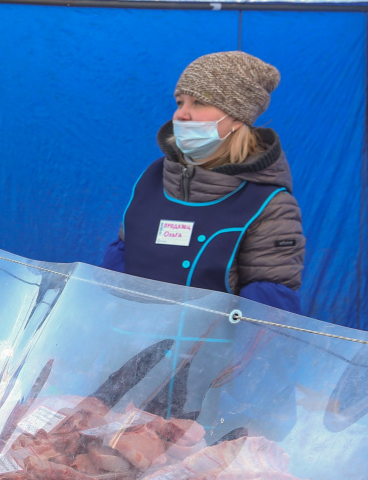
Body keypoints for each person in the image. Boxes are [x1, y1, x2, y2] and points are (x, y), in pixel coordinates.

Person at [102, 51, 305, 313]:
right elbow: (114, 273)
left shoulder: (270, 204)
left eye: (198, 102)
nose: (181, 115)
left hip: (211, 353)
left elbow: (266, 314)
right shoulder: (153, 178)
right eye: (179, 102)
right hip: (130, 346)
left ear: (236, 117)